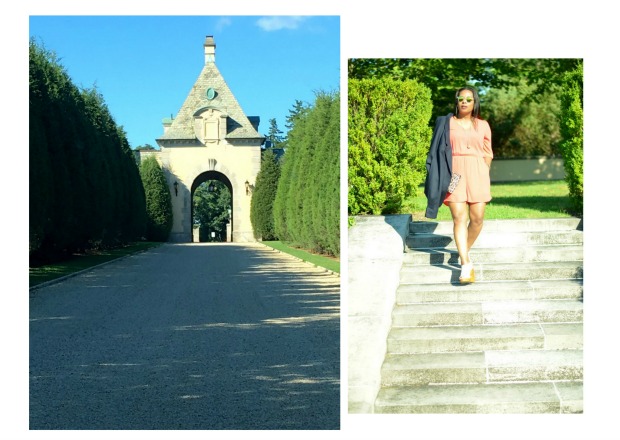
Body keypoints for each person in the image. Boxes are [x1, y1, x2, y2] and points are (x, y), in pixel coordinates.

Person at [424, 86, 493, 284]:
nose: (464, 102)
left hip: (478, 172)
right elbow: (436, 151)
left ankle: (464, 250)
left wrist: (483, 171)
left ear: (474, 103)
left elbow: (488, 152)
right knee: (459, 218)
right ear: (456, 101)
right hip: (454, 173)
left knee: (477, 219)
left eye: (468, 99)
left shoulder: (483, 125)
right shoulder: (446, 123)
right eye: (460, 98)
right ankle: (465, 264)